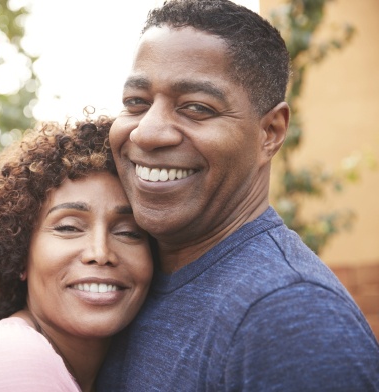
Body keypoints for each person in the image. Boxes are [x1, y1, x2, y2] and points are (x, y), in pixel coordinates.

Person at [97, 0, 379, 390]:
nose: (147, 132)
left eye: (196, 107)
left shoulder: (289, 318)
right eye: (136, 103)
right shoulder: (123, 281)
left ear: (271, 133)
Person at [0, 117, 153, 392]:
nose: (100, 252)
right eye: (68, 227)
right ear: (20, 255)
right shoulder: (15, 357)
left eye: (128, 232)